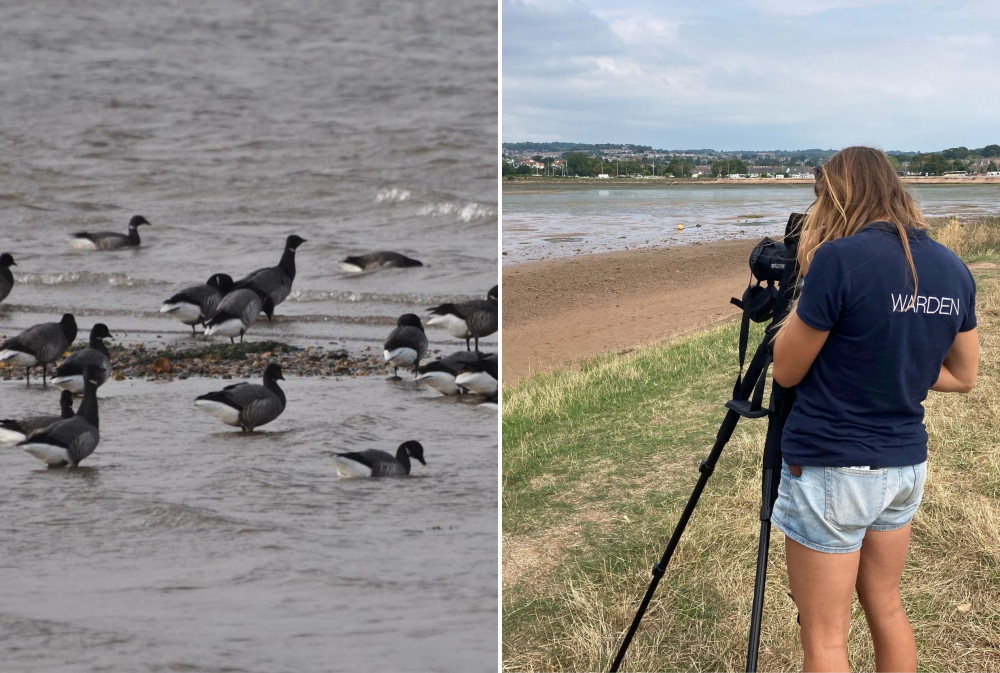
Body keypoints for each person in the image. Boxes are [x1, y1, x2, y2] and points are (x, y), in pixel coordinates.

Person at [770, 146, 979, 672]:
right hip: (904, 466)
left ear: (836, 197)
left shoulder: (839, 260)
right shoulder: (952, 267)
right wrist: (894, 356)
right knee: (886, 607)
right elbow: (962, 375)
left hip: (832, 465)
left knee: (824, 639)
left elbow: (786, 370)